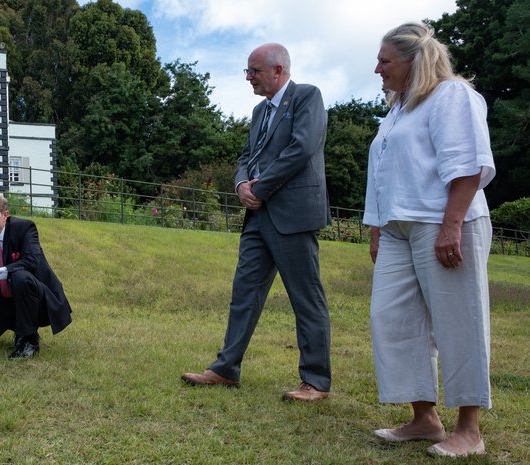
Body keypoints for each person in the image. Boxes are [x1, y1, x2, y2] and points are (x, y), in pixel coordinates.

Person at [364, 22, 495, 458]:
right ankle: (425, 419)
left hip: (443, 223)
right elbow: (384, 172)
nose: (377, 68)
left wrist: (451, 224)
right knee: (393, 321)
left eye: (385, 60)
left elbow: (468, 163)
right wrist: (377, 227)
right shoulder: (397, 110)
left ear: (412, 60)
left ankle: (470, 430)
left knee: (460, 320)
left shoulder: (452, 95)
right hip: (398, 229)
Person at [181, 43, 332, 401]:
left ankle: (316, 381)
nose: (248, 77)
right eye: (247, 71)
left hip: (292, 215)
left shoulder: (307, 97)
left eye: (254, 71)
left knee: (306, 299)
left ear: (278, 70)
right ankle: (225, 369)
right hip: (257, 217)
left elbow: (302, 148)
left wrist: (260, 187)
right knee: (243, 294)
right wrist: (240, 185)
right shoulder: (258, 111)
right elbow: (247, 156)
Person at [0, 193, 72, 359]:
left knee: (20, 277)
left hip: (42, 302)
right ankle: (21, 330)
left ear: (5, 216)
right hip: (10, 302)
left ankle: (28, 339)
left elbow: (31, 262)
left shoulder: (24, 228)